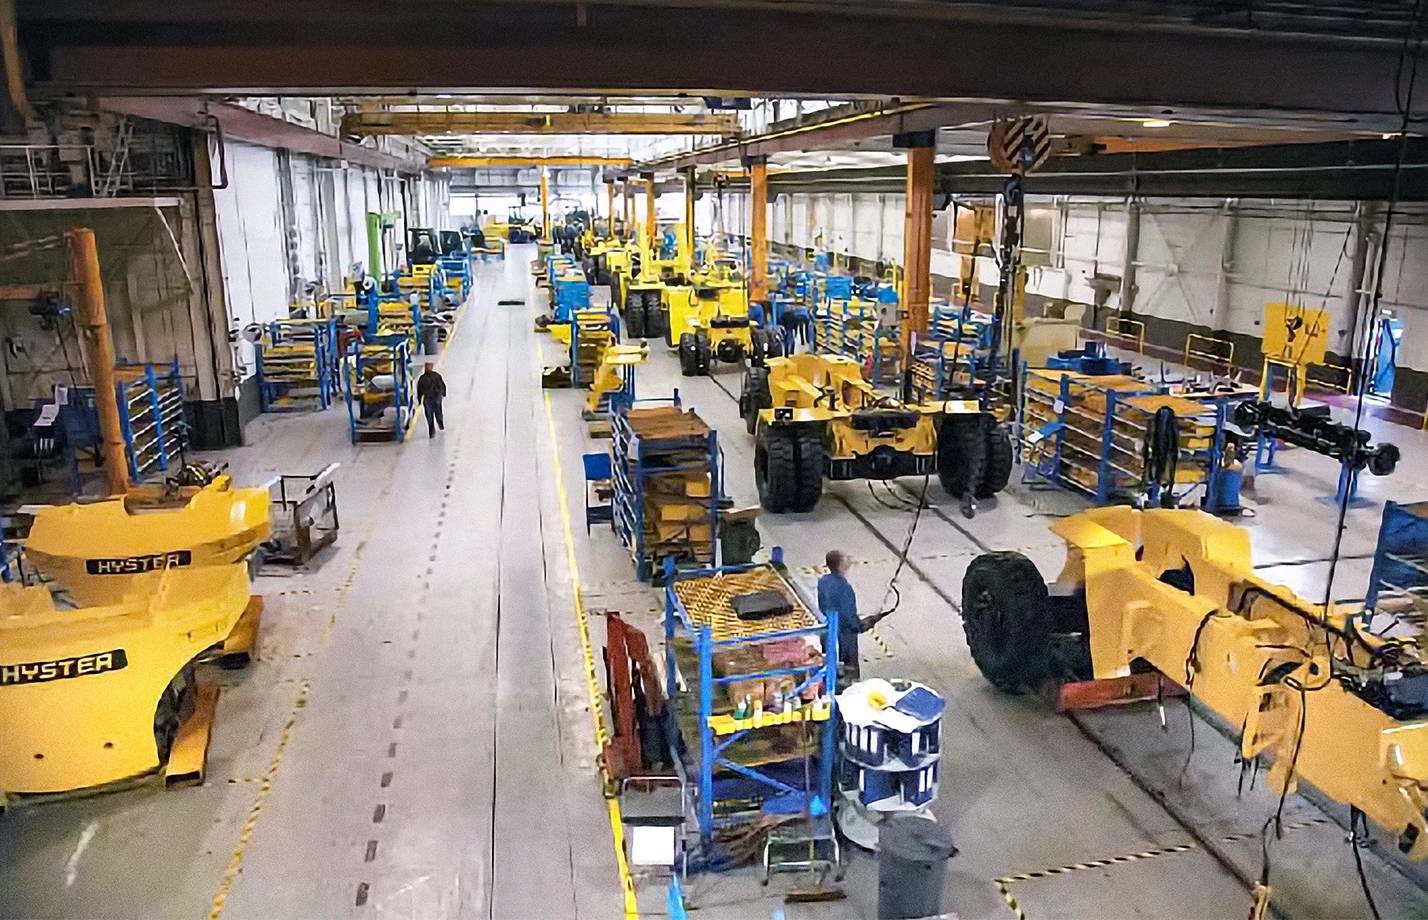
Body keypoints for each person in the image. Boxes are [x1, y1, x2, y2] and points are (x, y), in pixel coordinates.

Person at [818, 550, 889, 683]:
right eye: (846, 558)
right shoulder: (843, 588)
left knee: (829, 662)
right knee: (847, 670)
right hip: (845, 636)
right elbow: (847, 614)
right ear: (840, 565)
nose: (850, 559)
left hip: (827, 630)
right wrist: (862, 625)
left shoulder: (824, 581)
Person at [416, 362, 446, 438]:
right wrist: (420, 400)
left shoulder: (436, 376)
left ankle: (440, 423)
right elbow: (419, 390)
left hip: (436, 397)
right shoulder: (422, 378)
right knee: (429, 415)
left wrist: (442, 393)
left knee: (438, 412)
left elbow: (442, 385)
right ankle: (431, 429)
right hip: (428, 398)